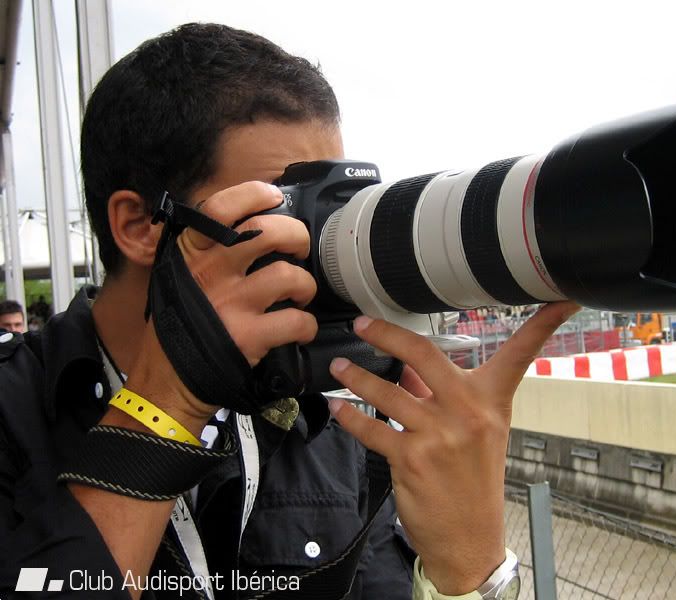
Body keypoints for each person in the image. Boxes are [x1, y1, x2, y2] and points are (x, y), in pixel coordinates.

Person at [0, 23, 578, 599]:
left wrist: (470, 565)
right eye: (284, 208)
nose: (314, 249)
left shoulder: (327, 425)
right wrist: (166, 402)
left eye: (334, 211)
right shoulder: (13, 414)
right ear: (141, 226)